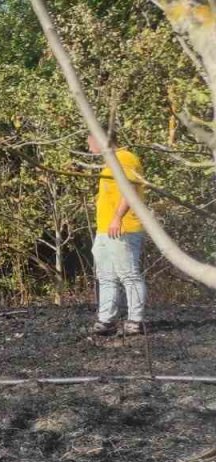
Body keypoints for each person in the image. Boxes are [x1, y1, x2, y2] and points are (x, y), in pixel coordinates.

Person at [88, 133, 147, 336]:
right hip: (104, 230)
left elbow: (130, 188)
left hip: (124, 228)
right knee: (106, 276)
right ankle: (106, 320)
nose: (88, 147)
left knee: (129, 274)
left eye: (90, 141)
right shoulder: (108, 164)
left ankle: (135, 321)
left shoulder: (125, 158)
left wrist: (117, 217)